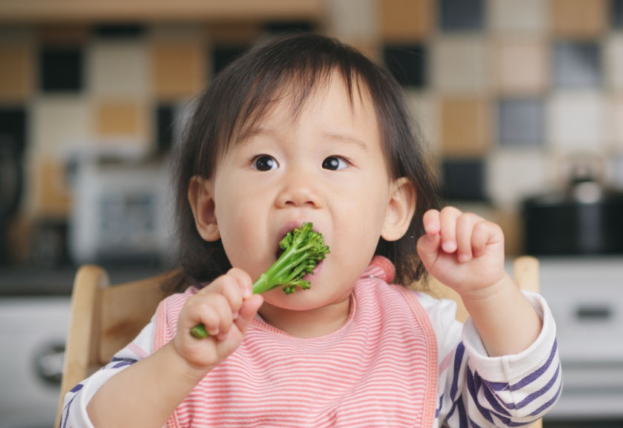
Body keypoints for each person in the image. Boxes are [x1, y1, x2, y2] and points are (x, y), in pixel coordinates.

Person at [60, 33, 561, 428]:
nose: (299, 189)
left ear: (393, 208)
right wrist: (180, 365)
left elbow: (522, 402)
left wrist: (488, 291)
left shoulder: (419, 333)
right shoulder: (184, 332)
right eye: (264, 161)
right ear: (209, 209)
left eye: (333, 161)